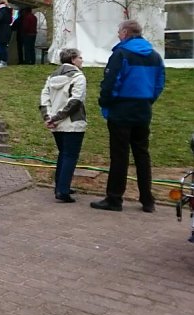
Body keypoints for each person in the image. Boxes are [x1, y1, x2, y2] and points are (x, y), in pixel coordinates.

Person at [91, 20, 165, 213]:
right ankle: (147, 200)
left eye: (118, 31)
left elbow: (111, 82)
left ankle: (114, 199)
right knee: (142, 154)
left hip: (121, 109)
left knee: (119, 155)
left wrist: (105, 104)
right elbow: (159, 83)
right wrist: (148, 101)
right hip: (143, 109)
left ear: (125, 32)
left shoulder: (121, 54)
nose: (117, 34)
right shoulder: (155, 56)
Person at [40, 48, 87, 203]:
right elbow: (75, 101)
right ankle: (63, 190)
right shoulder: (78, 77)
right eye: (80, 57)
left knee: (63, 153)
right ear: (73, 59)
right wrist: (57, 118)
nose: (82, 60)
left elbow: (44, 99)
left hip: (55, 123)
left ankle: (60, 185)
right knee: (70, 155)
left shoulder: (51, 77)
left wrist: (48, 117)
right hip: (72, 123)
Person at [0, 0, 13, 68]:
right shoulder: (9, 10)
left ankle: (3, 61)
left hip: (1, 29)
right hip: (7, 29)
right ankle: (4, 61)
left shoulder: (1, 10)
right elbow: (10, 21)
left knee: (1, 46)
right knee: (4, 45)